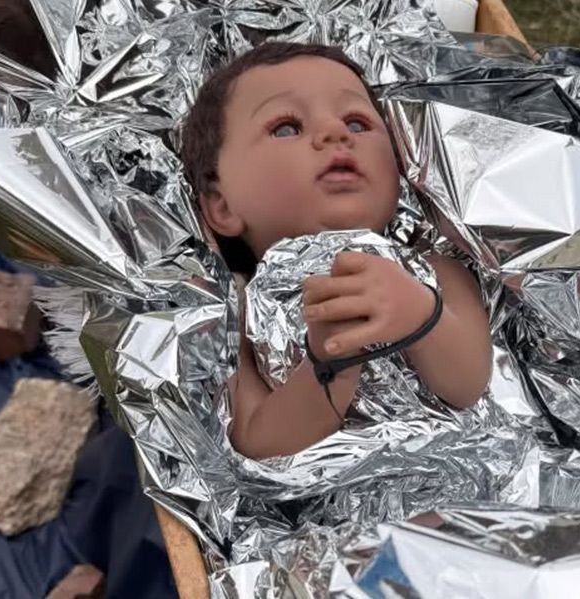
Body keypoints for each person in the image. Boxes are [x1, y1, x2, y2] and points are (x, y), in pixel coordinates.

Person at [181, 42, 493, 460]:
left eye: (359, 122)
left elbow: (470, 384)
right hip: (332, 517)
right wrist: (329, 364)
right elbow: (256, 440)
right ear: (221, 206)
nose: (335, 133)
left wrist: (421, 315)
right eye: (287, 127)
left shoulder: (435, 271)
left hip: (458, 486)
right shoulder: (233, 310)